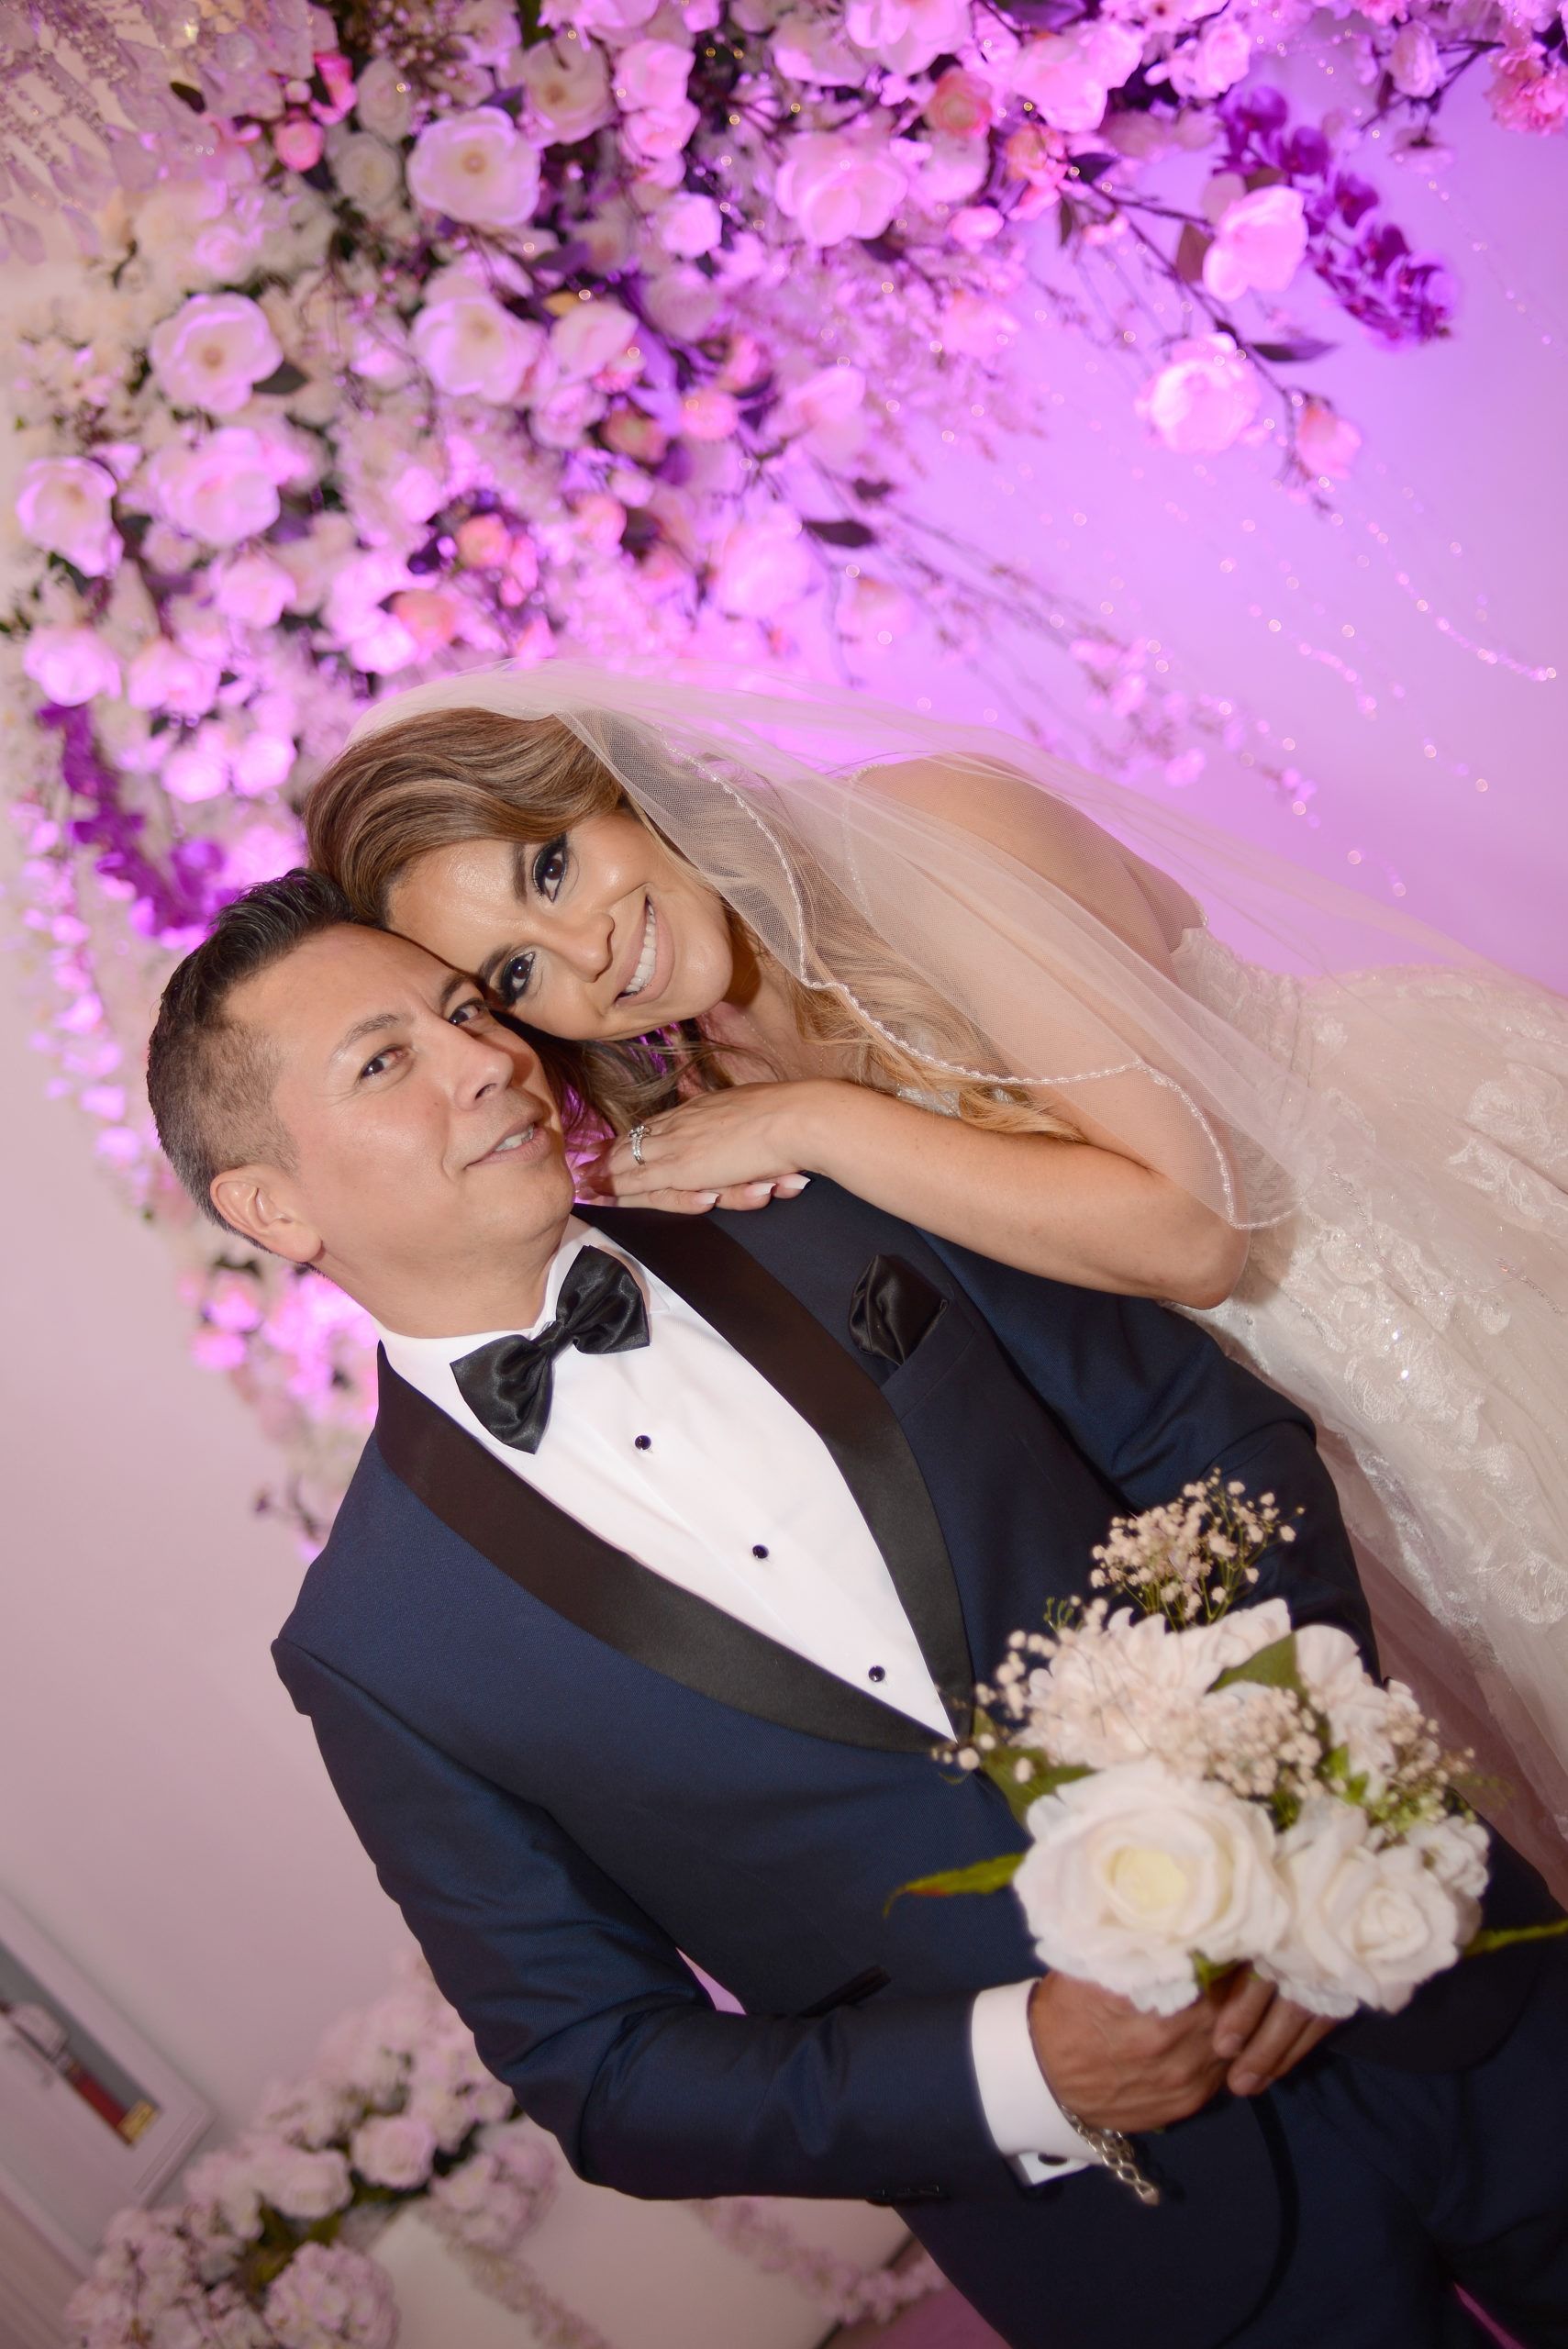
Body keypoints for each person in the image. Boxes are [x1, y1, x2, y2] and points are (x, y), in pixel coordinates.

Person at [145, 872, 1567, 2349]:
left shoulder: (832, 1201)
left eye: (463, 1012)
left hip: (1432, 1977)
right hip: (1145, 2245)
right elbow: (600, 2068)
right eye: (386, 1062)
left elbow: (1205, 1439)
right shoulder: (375, 1646)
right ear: (272, 1204)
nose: (487, 1059)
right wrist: (1027, 2070)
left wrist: (1281, 1802)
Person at [303, 661, 1568, 1886]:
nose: (586, 956)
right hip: (1275, 1424)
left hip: (1420, 1256)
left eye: (552, 865)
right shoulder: (710, 1079)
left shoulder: (932, 832)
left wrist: (816, 1122)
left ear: (612, 783)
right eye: (516, 975)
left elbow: (1196, 1231)